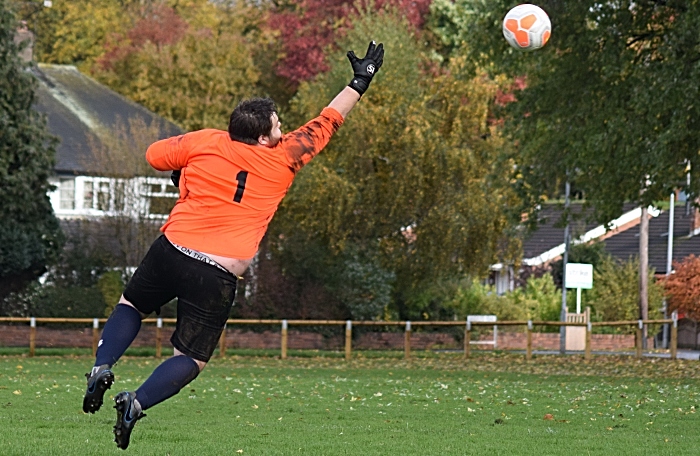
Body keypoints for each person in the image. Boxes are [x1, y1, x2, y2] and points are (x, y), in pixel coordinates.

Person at [82, 41, 384, 450]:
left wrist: (186, 167)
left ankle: (102, 366)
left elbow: (155, 156)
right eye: (278, 126)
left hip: (172, 250)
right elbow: (327, 122)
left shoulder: (206, 140)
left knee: (132, 306)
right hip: (217, 271)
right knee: (190, 358)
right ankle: (136, 403)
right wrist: (360, 80)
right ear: (263, 137)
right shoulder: (284, 159)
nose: (283, 130)